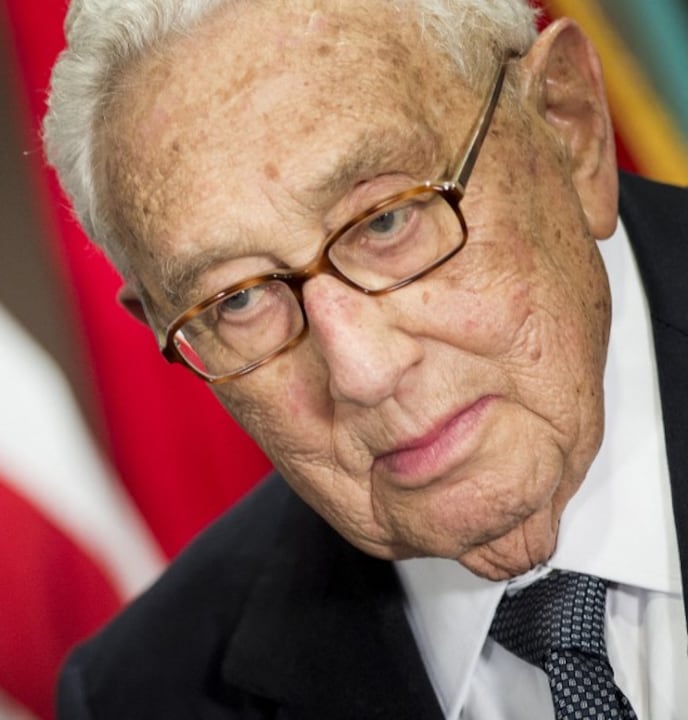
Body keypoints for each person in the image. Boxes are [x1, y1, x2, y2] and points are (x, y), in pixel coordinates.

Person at [42, 0, 688, 717]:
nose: (362, 373)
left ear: (568, 127)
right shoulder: (143, 695)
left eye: (386, 219)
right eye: (238, 301)